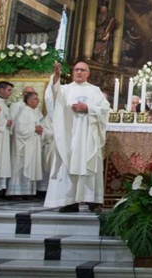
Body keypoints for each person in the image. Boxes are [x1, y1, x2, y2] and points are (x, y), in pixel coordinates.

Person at [44, 61, 110, 213]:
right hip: (70, 136)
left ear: (88, 73)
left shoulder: (95, 90)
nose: (79, 72)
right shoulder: (65, 89)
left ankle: (91, 199)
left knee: (89, 164)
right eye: (76, 70)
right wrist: (56, 77)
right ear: (73, 72)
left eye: (83, 70)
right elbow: (52, 96)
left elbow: (105, 109)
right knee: (69, 165)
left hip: (88, 136)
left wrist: (88, 108)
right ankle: (69, 201)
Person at [6, 91, 43, 198]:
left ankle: (27, 192)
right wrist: (34, 129)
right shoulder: (23, 111)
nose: (38, 101)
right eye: (35, 99)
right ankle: (16, 192)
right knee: (21, 167)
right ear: (29, 100)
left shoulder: (32, 112)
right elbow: (19, 129)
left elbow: (36, 126)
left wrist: (39, 129)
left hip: (31, 144)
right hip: (23, 147)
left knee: (30, 166)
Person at [0, 81, 14, 196]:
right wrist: (6, 122)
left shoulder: (4, 104)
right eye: (9, 90)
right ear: (1, 90)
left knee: (1, 162)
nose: (10, 93)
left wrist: (9, 123)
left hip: (4, 136)